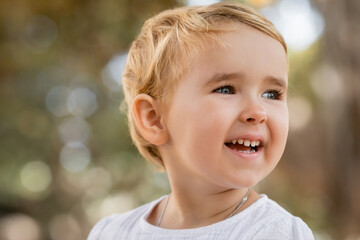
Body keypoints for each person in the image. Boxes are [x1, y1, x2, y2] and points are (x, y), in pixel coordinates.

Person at [88, 2, 314, 239]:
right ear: (154, 119)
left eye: (271, 94)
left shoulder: (275, 232)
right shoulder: (112, 233)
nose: (258, 112)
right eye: (226, 89)